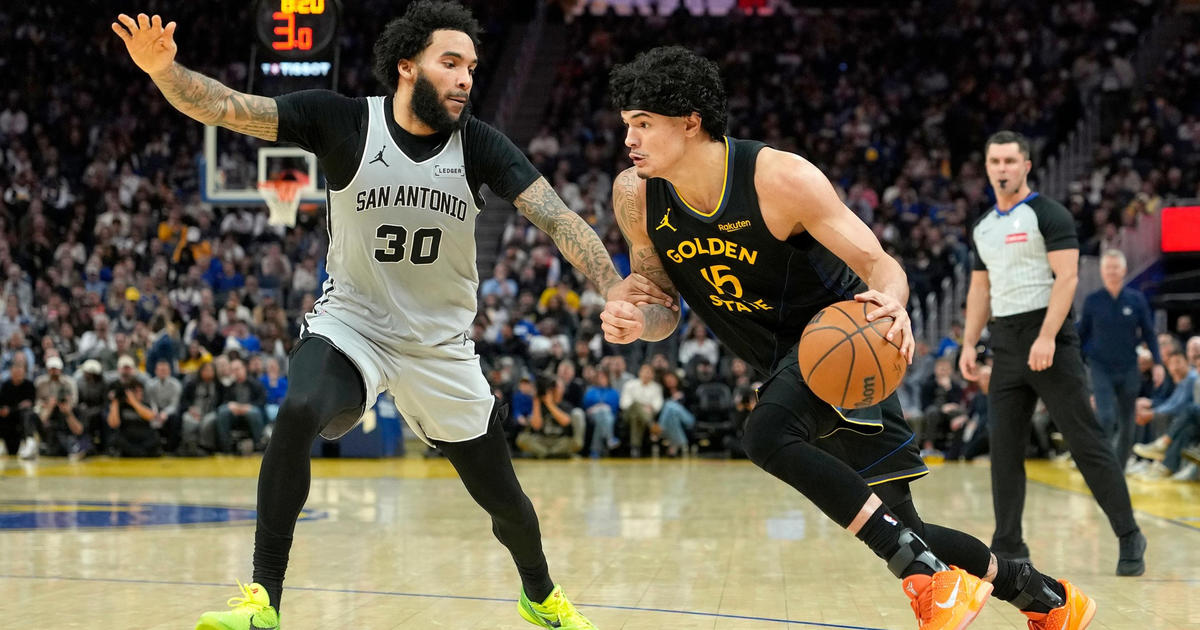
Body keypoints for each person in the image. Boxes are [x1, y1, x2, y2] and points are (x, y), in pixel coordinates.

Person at [114, 5, 670, 629]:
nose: (465, 78)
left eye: (472, 68)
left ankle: (540, 595)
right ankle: (264, 599)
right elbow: (225, 105)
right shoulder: (344, 120)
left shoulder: (479, 144)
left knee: (504, 501)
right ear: (407, 66)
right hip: (354, 324)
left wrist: (612, 286)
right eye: (450, 63)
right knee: (297, 411)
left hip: (440, 346)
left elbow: (559, 219)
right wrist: (164, 72)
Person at [600, 47, 1092, 630]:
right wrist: (635, 322)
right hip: (784, 361)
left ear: (690, 121)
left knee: (765, 434)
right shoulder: (637, 194)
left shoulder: (781, 178)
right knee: (907, 524)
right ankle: (1049, 598)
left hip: (842, 343)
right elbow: (662, 308)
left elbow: (881, 265)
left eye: (643, 124)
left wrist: (896, 305)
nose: (629, 139)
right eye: (627, 124)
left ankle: (927, 580)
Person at [960, 131, 1144, 577]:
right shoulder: (983, 226)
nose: (1001, 168)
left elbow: (1066, 279)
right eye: (994, 161)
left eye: (1009, 161)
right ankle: (1009, 545)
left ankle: (1128, 533)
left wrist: (1046, 335)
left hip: (1052, 341)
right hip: (1005, 344)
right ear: (987, 168)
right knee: (1004, 449)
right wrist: (968, 342)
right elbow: (979, 288)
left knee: (1085, 443)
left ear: (1026, 165)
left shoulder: (1049, 214)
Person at [1077, 249, 1160, 470]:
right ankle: (1100, 465)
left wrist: (1158, 363)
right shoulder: (1093, 301)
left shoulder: (1136, 300)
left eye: (1116, 267)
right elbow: (1081, 334)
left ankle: (1118, 469)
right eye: (1108, 267)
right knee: (1104, 417)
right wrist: (1075, 361)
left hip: (1128, 368)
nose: (1112, 271)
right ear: (1102, 272)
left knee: (1127, 422)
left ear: (1124, 270)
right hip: (1100, 367)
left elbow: (1149, 333)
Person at [515, 373, 585, 458]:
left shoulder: (566, 405)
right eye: (552, 387)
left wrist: (550, 404)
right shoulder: (540, 405)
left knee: (574, 443)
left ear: (563, 389)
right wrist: (536, 401)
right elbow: (536, 426)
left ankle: (545, 454)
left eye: (556, 386)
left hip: (560, 441)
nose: (554, 389)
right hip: (543, 440)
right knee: (522, 439)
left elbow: (565, 422)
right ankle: (553, 454)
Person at [33, 356, 83, 456]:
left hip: (66, 410)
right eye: (51, 369)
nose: (53, 371)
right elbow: (37, 402)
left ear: (61, 369)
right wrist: (48, 405)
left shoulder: (70, 382)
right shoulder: (40, 383)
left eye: (55, 369)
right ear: (47, 369)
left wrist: (66, 406)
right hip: (46, 411)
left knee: (79, 412)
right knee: (34, 414)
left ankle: (76, 444)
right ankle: (36, 444)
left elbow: (74, 401)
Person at [106, 379, 161, 457]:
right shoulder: (121, 406)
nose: (140, 393)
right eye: (137, 391)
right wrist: (115, 402)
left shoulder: (145, 403)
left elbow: (150, 416)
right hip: (127, 436)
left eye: (141, 391)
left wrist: (134, 402)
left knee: (155, 438)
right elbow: (113, 424)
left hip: (144, 435)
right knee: (116, 439)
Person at [619, 363, 663, 458]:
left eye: (649, 372)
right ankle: (651, 425)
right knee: (636, 405)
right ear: (640, 373)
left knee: (636, 416)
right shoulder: (630, 385)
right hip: (628, 413)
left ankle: (635, 447)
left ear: (653, 375)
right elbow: (624, 404)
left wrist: (649, 408)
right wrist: (643, 405)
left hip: (646, 414)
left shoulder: (656, 388)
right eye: (645, 372)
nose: (646, 375)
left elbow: (657, 405)